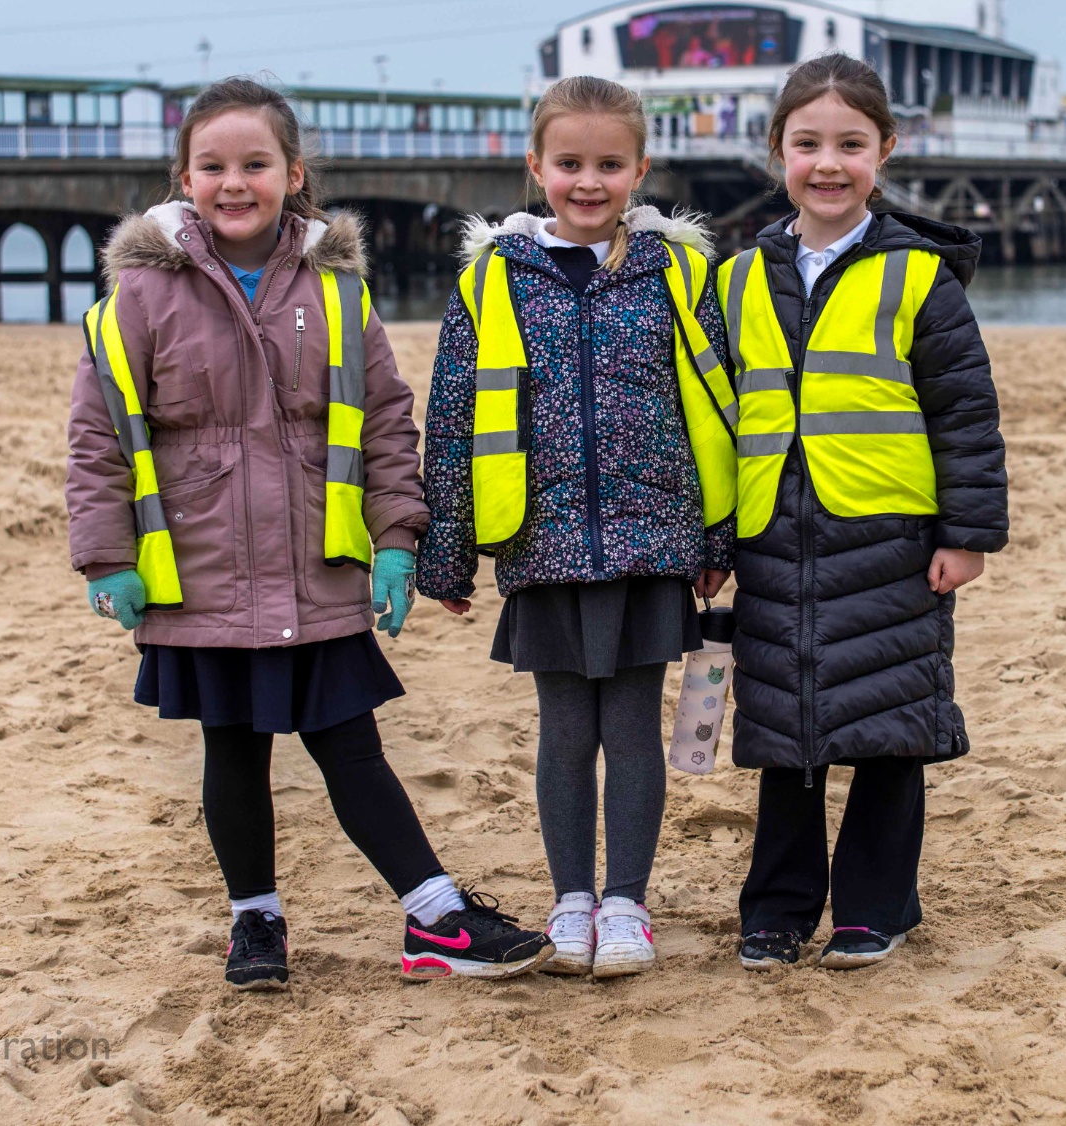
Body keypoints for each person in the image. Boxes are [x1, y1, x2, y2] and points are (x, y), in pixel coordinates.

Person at [65, 76, 550, 989]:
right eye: (213, 166)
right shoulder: (138, 294)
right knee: (232, 750)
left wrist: (398, 538)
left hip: (315, 566)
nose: (233, 182)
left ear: (294, 174)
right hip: (201, 571)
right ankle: (256, 923)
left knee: (349, 742)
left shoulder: (335, 286)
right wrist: (105, 558)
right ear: (184, 178)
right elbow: (99, 434)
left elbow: (384, 418)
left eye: (255, 164)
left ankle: (435, 917)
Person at [418, 75, 738, 980]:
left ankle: (627, 903)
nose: (587, 182)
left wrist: (716, 540)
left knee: (635, 725)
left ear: (641, 169)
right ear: (535, 167)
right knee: (563, 729)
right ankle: (569, 902)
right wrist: (447, 552)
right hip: (542, 538)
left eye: (608, 164)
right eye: (569, 164)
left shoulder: (680, 274)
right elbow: (450, 418)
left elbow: (716, 408)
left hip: (652, 535)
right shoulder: (490, 281)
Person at [720, 53, 1008, 971]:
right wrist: (712, 538)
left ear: (886, 149)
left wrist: (967, 536)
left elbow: (964, 410)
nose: (829, 164)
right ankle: (776, 909)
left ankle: (874, 907)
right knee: (783, 733)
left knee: (890, 732)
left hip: (890, 536)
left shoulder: (920, 276)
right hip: (772, 532)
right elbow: (715, 418)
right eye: (807, 145)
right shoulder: (736, 277)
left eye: (851, 144)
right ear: (777, 153)